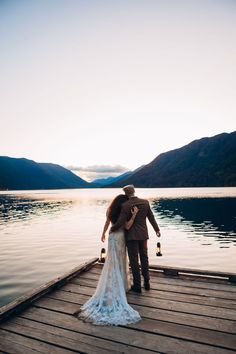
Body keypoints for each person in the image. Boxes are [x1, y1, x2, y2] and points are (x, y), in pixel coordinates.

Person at [77, 194, 141, 325]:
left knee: (112, 261)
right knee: (120, 260)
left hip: (111, 237)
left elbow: (107, 223)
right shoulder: (123, 212)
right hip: (120, 237)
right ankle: (120, 285)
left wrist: (103, 233)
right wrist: (134, 215)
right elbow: (127, 226)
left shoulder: (110, 210)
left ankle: (115, 284)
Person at [110, 185, 161, 293]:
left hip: (131, 237)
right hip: (143, 235)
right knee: (144, 258)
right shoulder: (145, 202)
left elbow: (120, 221)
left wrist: (112, 229)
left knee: (134, 261)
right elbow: (151, 217)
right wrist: (157, 229)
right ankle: (147, 282)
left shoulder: (125, 205)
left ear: (126, 194)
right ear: (134, 191)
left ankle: (137, 286)